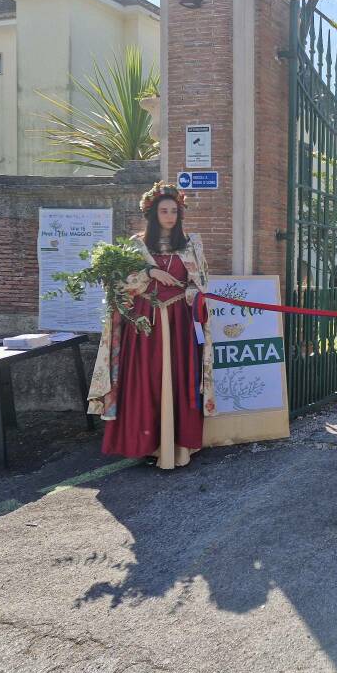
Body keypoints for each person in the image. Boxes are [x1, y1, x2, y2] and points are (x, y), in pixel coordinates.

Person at [88, 182, 214, 470]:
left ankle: (179, 446)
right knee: (147, 380)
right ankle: (149, 445)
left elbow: (201, 282)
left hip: (180, 322)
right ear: (153, 213)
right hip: (145, 324)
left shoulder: (192, 244)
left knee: (179, 379)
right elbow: (119, 284)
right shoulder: (136, 245)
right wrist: (149, 271)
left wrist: (192, 295)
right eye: (164, 211)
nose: (169, 215)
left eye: (174, 210)